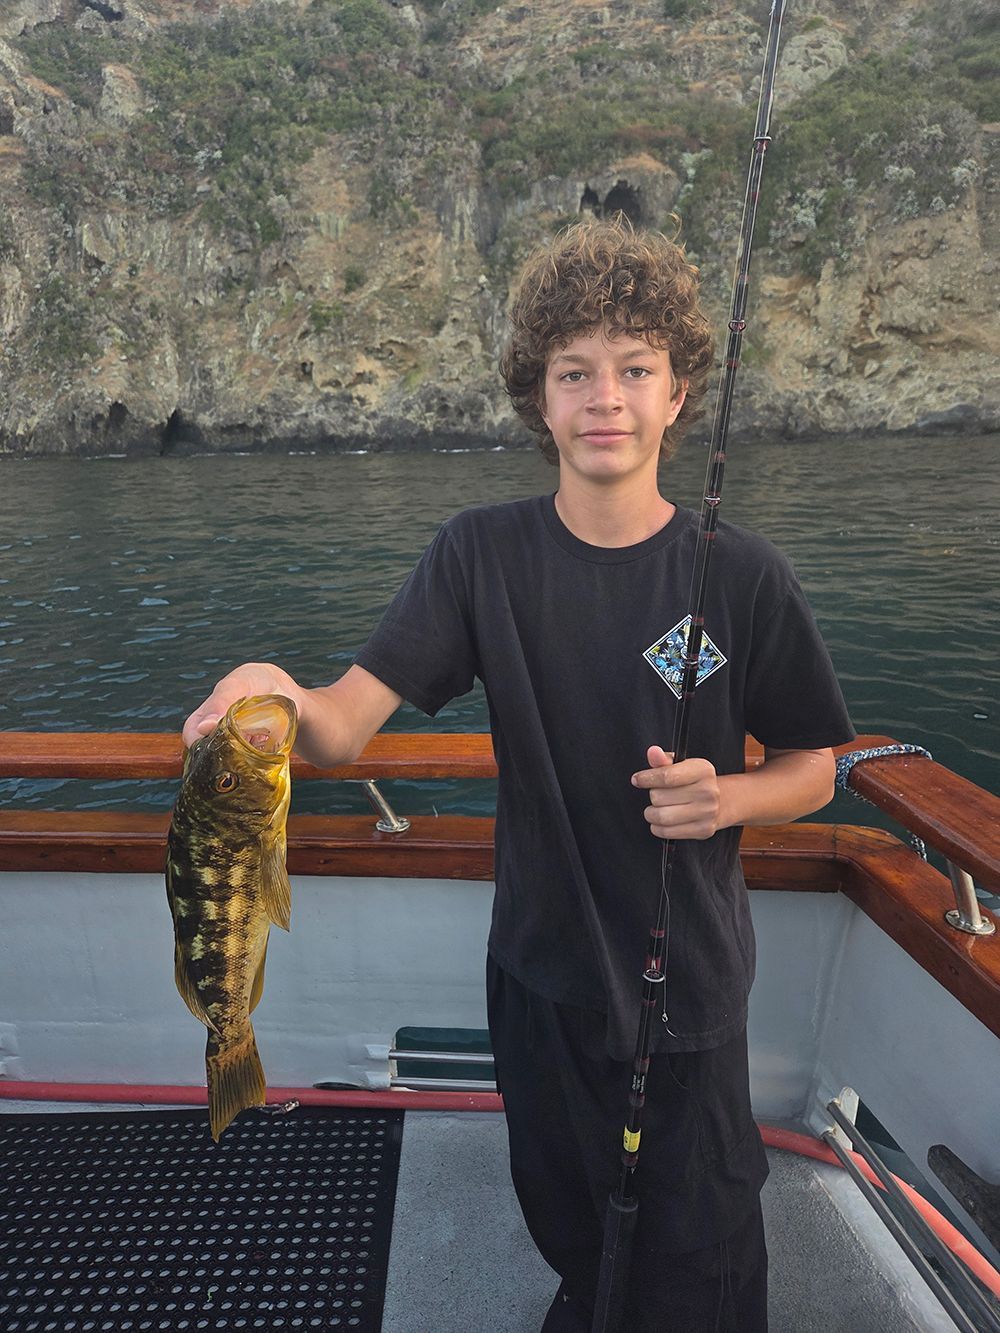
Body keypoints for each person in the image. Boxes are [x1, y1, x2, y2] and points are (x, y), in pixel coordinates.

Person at [183, 218, 855, 1331]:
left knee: (704, 1250)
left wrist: (729, 796)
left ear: (678, 394)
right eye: (573, 372)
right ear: (536, 400)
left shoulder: (742, 575)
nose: (605, 397)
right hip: (537, 973)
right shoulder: (477, 554)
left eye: (634, 370)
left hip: (684, 983)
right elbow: (344, 729)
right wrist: (277, 692)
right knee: (572, 1216)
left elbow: (815, 768)